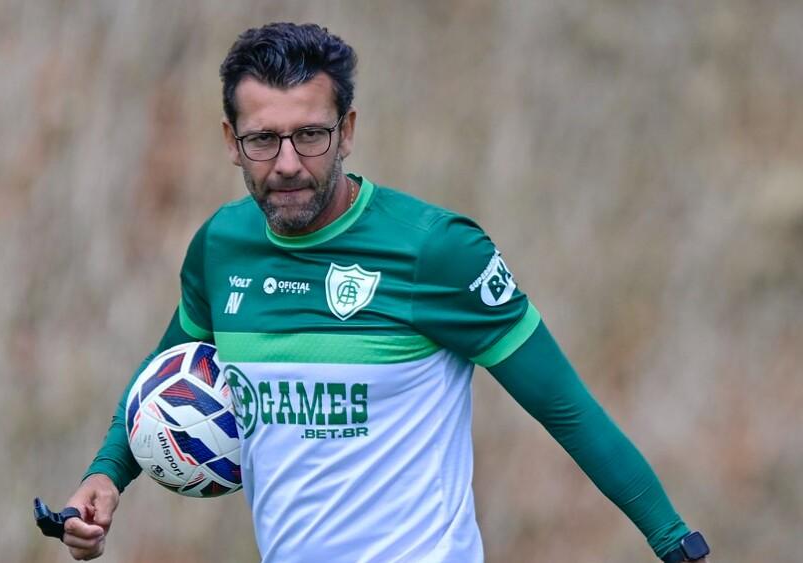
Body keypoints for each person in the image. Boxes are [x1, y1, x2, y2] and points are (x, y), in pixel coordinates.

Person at [62, 22, 711, 563]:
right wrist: (107, 473)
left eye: (310, 134)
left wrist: (674, 541)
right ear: (232, 142)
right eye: (263, 138)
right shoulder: (221, 247)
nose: (288, 161)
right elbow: (162, 374)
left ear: (346, 131)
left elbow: (566, 407)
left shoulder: (438, 250)